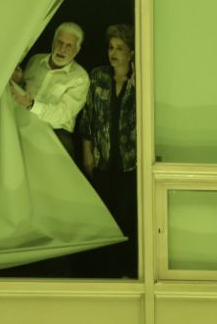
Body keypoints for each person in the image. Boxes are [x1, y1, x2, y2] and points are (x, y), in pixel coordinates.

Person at [79, 24, 137, 278]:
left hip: (129, 163)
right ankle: (103, 273)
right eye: (111, 48)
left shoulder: (140, 81)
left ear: (132, 53)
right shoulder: (98, 76)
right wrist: (87, 153)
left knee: (126, 217)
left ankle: (126, 271)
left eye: (120, 49)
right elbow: (88, 118)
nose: (113, 53)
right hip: (102, 159)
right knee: (103, 217)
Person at [10, 21, 90, 159]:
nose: (62, 49)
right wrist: (19, 82)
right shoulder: (35, 60)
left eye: (69, 45)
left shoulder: (80, 78)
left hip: (55, 133)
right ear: (53, 42)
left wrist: (32, 105)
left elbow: (63, 114)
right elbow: (25, 93)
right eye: (59, 42)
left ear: (77, 50)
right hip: (23, 124)